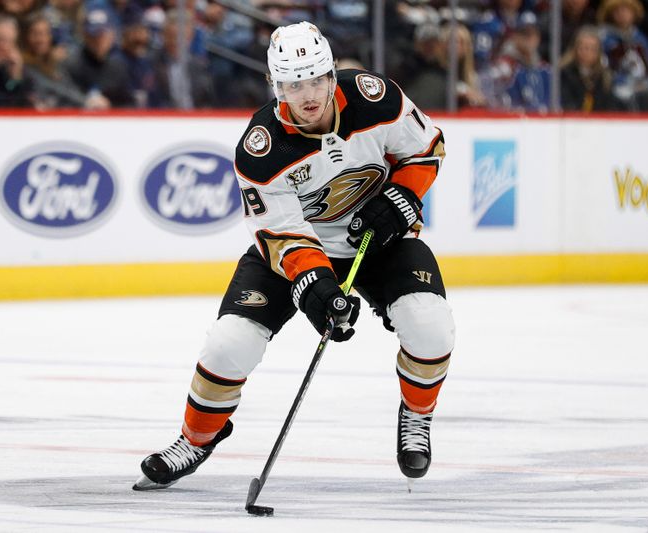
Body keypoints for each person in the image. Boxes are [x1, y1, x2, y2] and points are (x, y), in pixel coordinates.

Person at [134, 21, 455, 491]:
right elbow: (281, 234)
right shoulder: (261, 148)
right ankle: (196, 438)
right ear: (275, 85)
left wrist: (400, 199)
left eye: (315, 80)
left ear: (332, 75)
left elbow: (428, 149)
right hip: (299, 250)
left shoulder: (376, 98)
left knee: (430, 325)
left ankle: (417, 416)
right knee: (228, 343)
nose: (306, 95)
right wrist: (319, 290)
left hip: (380, 241)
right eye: (292, 84)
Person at [560, 25, 620, 111]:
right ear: (575, 49)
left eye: (592, 49)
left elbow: (610, 106)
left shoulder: (604, 77)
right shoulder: (564, 74)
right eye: (584, 48)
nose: (587, 53)